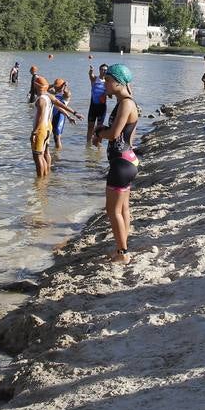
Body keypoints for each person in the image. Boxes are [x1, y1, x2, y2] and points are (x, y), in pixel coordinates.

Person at [93, 64, 139, 263]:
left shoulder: (126, 104)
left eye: (108, 80)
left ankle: (122, 253)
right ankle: (122, 249)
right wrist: (105, 130)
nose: (105, 83)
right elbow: (127, 136)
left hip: (121, 165)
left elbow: (114, 134)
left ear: (119, 83)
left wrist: (98, 133)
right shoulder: (125, 102)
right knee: (123, 210)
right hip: (127, 161)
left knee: (113, 211)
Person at [86, 63, 111, 147]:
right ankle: (88, 146)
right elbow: (90, 75)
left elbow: (110, 96)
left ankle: (99, 146)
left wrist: (107, 93)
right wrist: (91, 70)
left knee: (99, 128)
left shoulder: (108, 82)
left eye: (105, 70)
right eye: (102, 69)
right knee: (90, 127)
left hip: (102, 108)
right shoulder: (94, 79)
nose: (103, 71)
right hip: (93, 107)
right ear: (99, 70)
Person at [50, 78, 73, 148]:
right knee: (54, 136)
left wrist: (64, 86)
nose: (56, 88)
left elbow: (67, 93)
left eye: (57, 87)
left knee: (57, 137)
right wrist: (53, 85)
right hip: (54, 115)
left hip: (61, 116)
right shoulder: (54, 92)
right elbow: (46, 88)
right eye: (55, 87)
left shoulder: (66, 94)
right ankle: (56, 153)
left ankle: (57, 155)